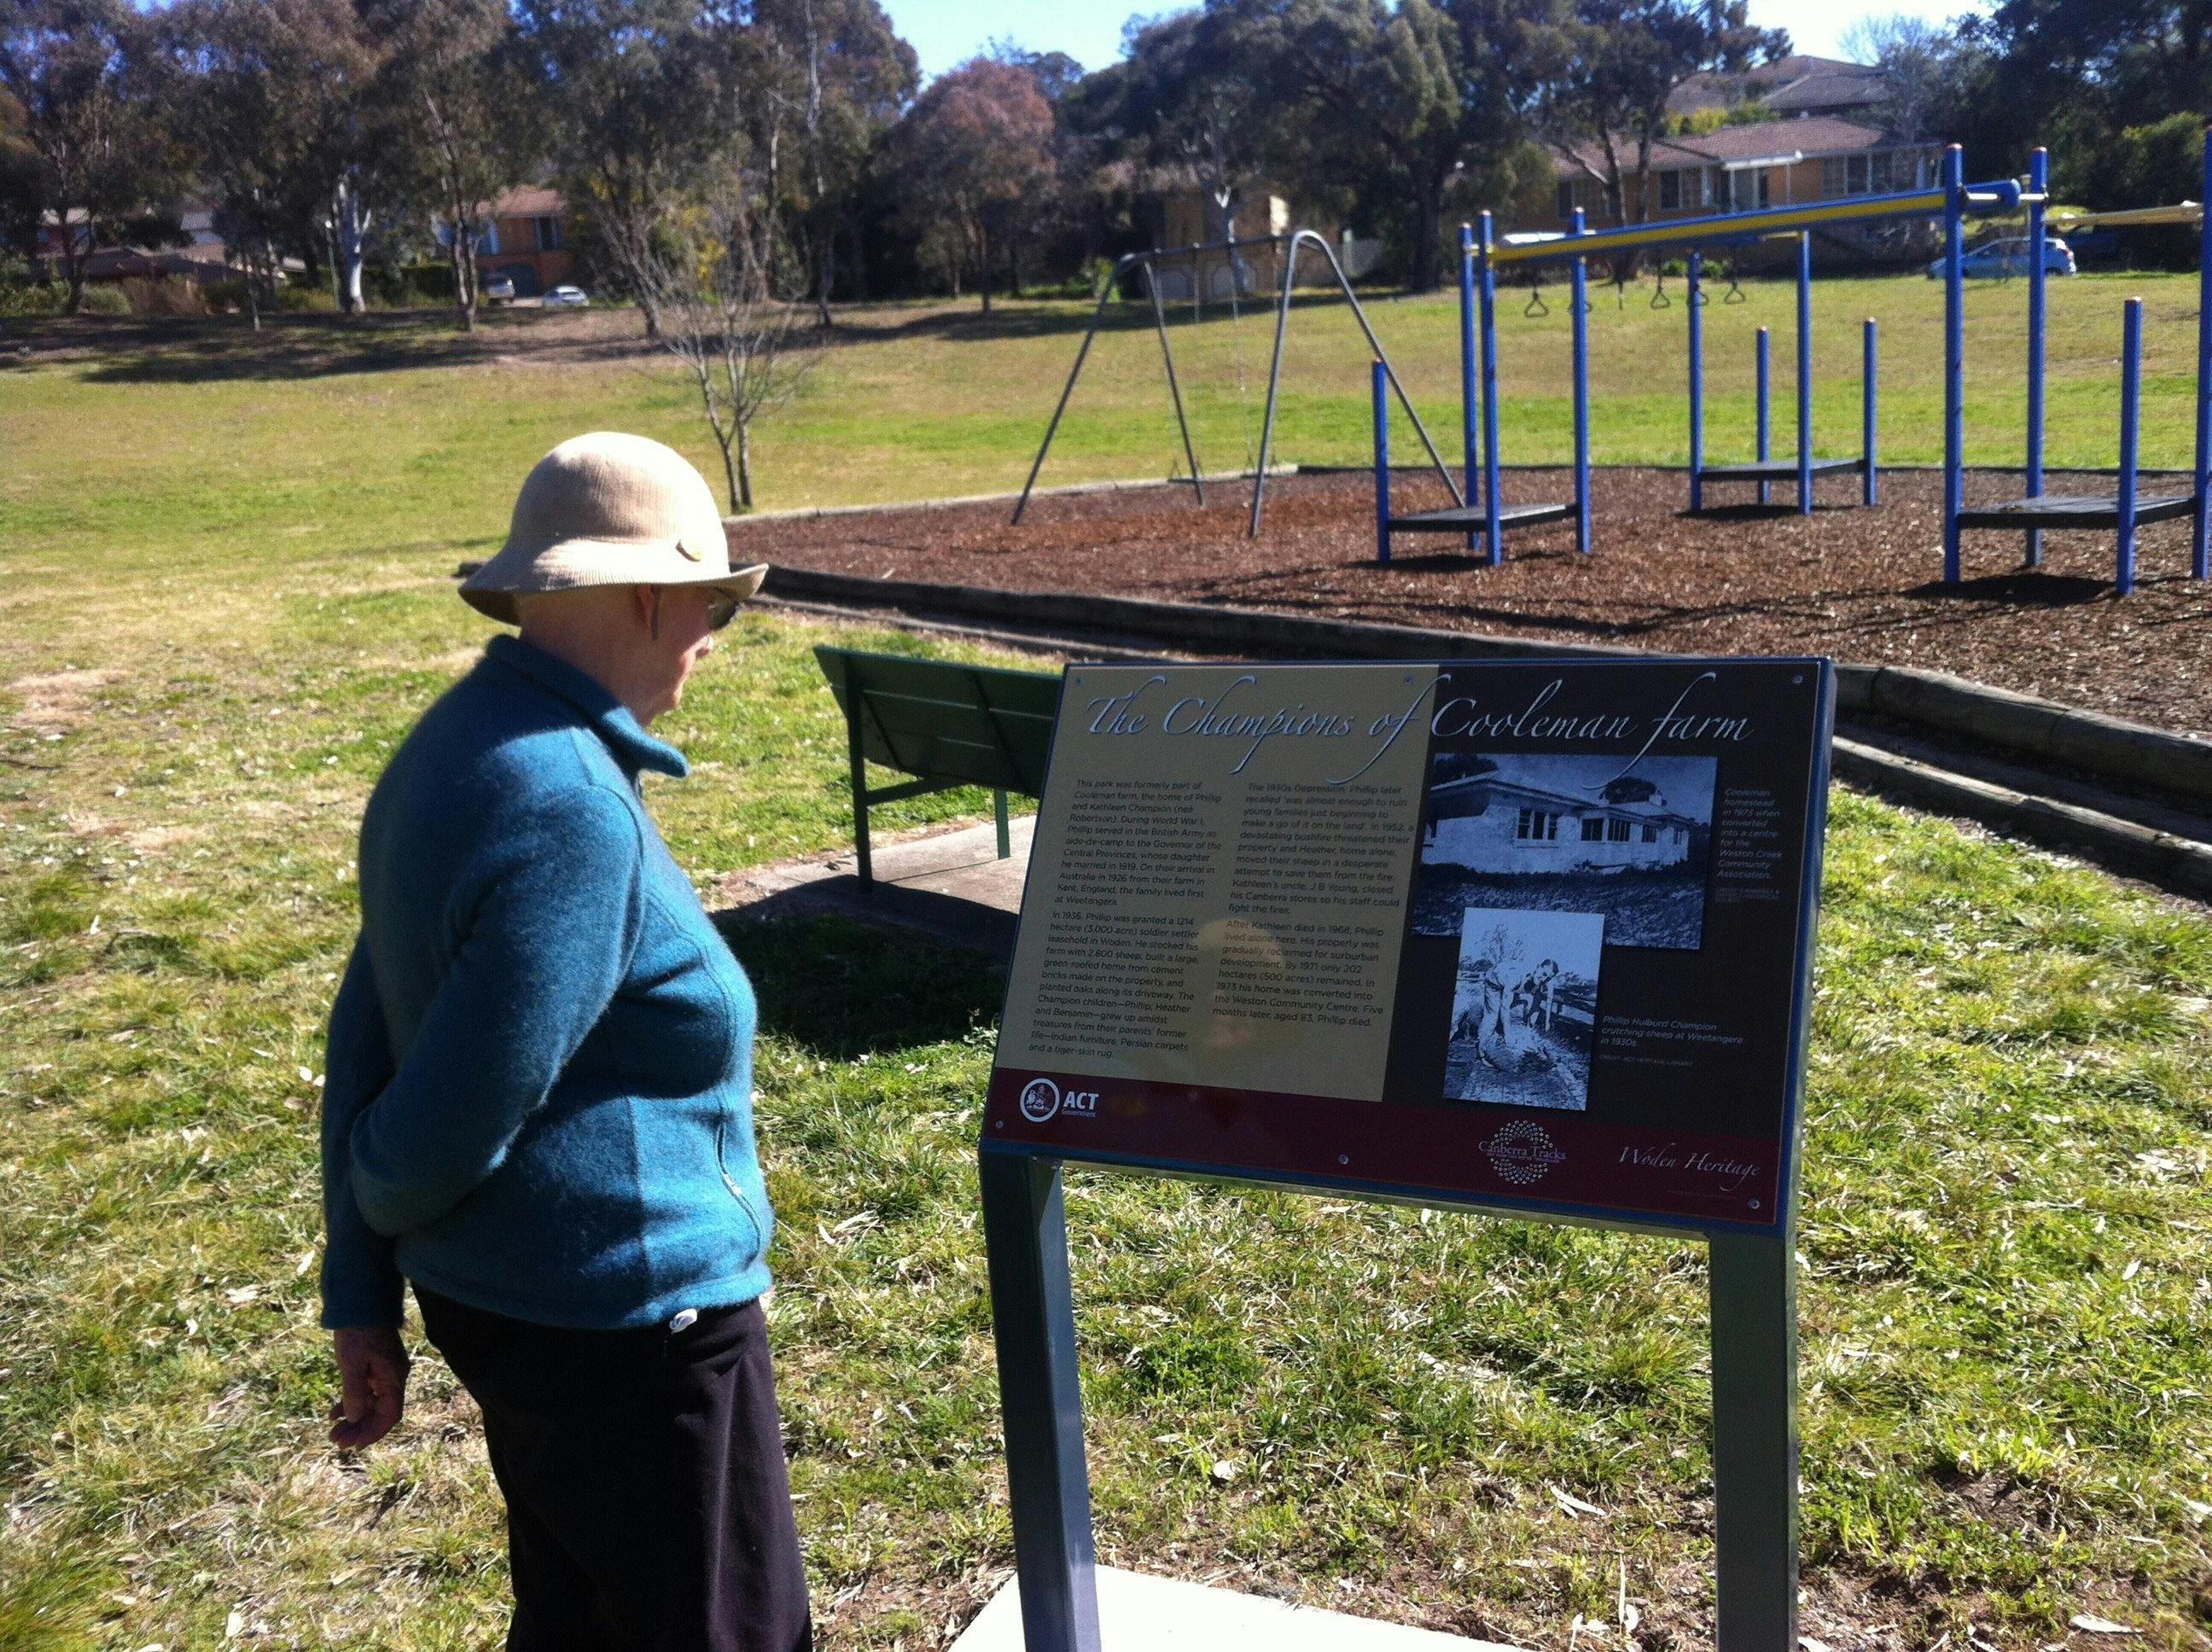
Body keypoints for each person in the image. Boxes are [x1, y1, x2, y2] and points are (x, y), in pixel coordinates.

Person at [316, 431, 809, 1652]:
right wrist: (375, 1221)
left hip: (515, 1314)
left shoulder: (457, 747)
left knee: (581, 1619)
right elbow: (446, 1113)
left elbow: (364, 1024)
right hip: (629, 1337)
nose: (711, 635)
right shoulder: (571, 808)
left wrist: (363, 1290)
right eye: (714, 606)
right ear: (644, 594)